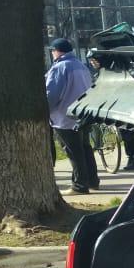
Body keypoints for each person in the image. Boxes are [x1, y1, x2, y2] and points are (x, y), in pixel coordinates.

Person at [46, 38, 98, 194]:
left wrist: (45, 110)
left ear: (57, 51)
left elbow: (52, 94)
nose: (52, 53)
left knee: (73, 151)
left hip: (65, 116)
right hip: (83, 113)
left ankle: (80, 185)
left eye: (53, 51)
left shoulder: (60, 67)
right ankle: (93, 180)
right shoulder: (81, 66)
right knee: (85, 148)